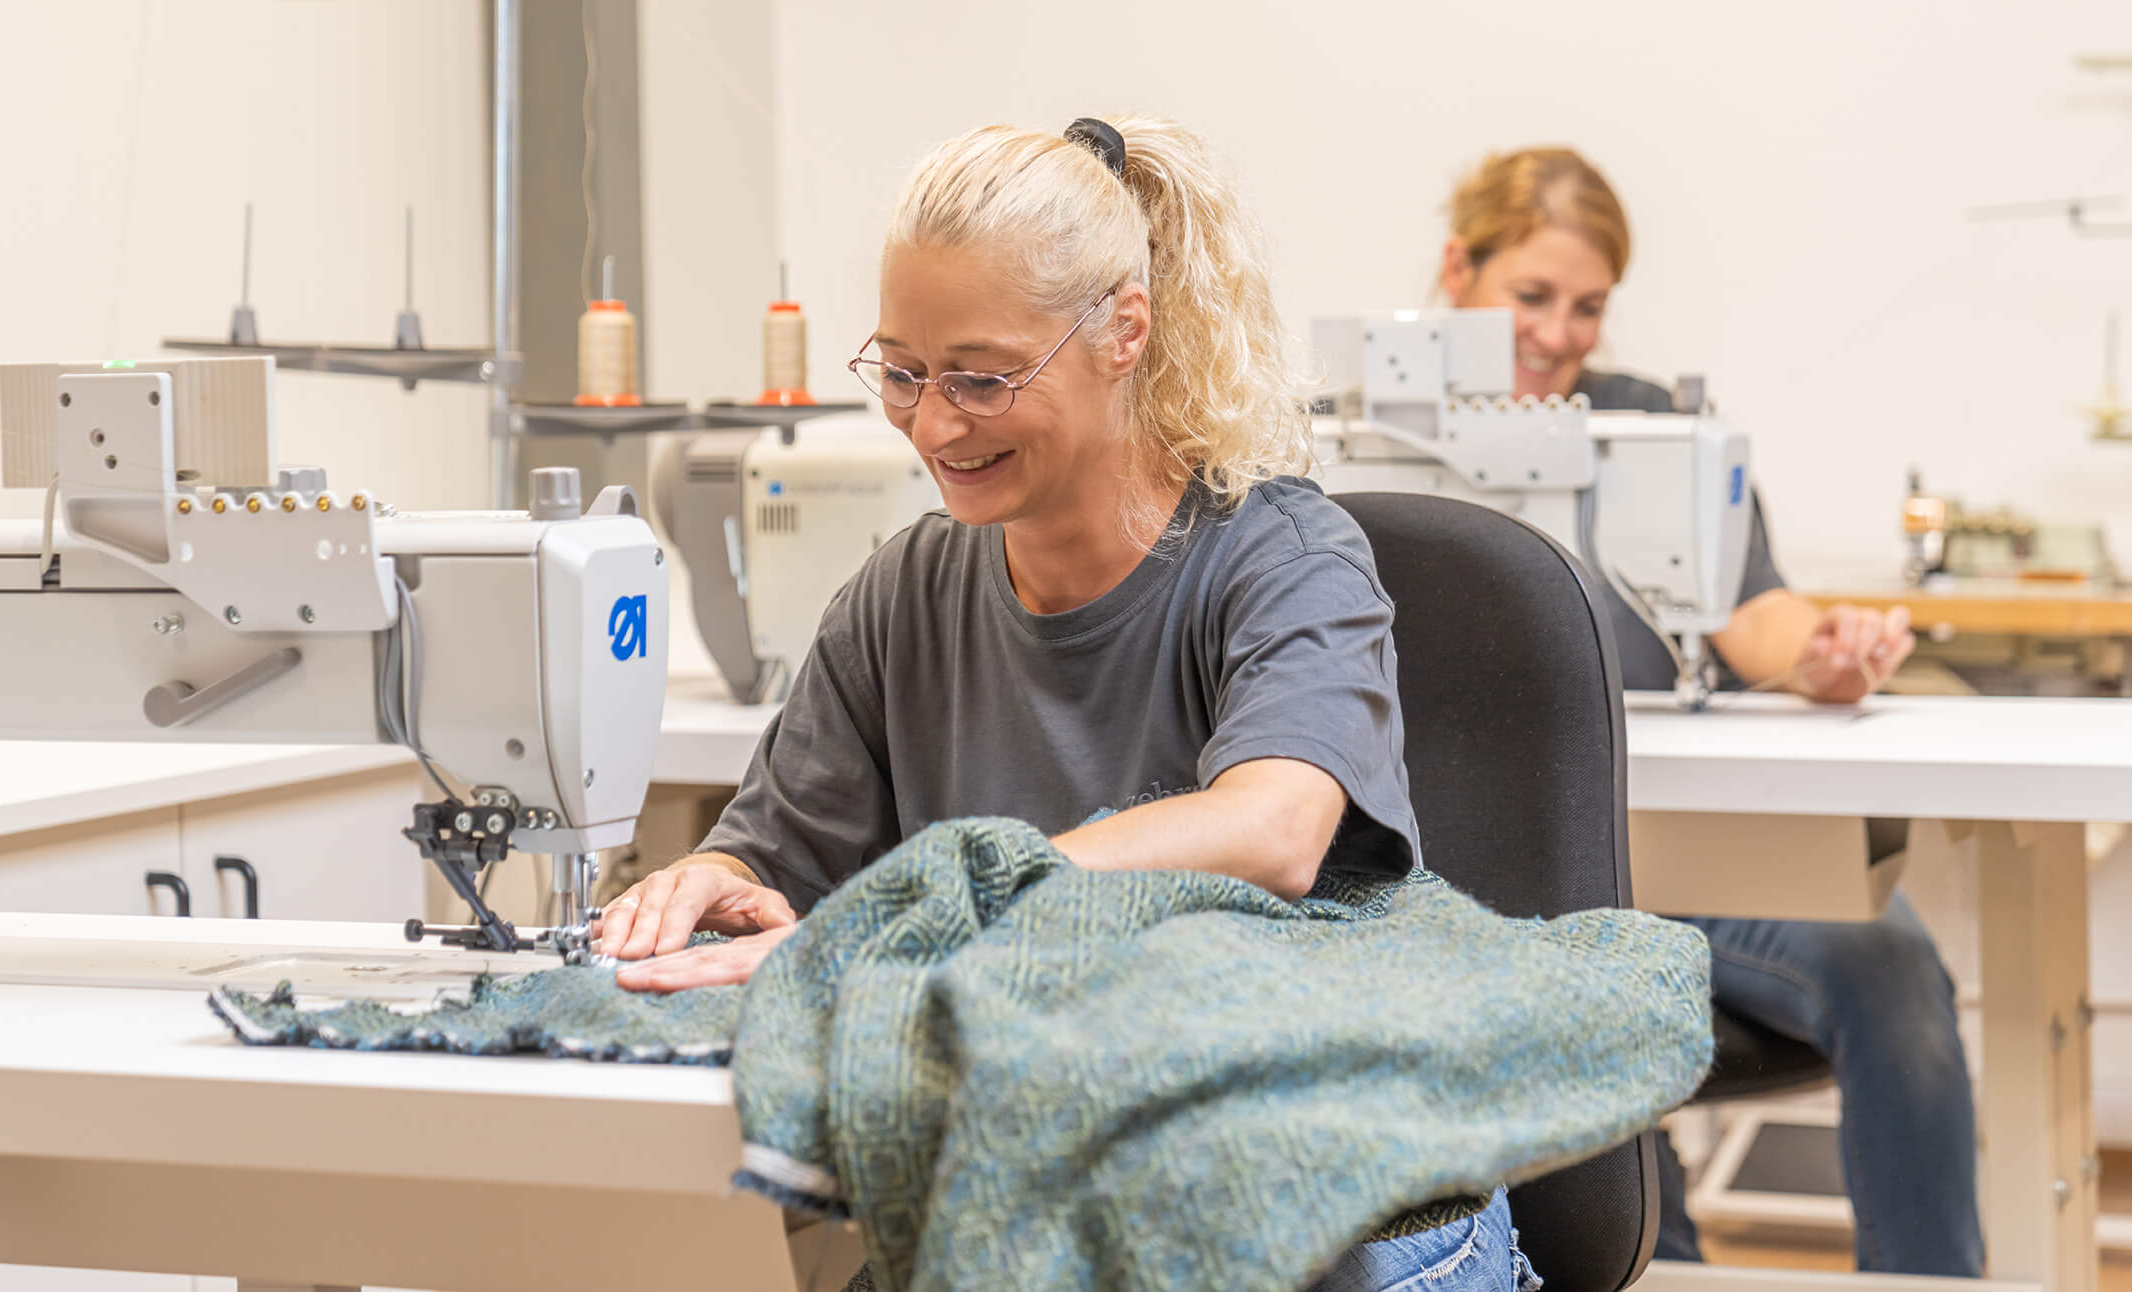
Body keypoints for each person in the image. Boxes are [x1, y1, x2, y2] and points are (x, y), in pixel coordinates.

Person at [596, 116, 1540, 1292]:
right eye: (901, 371)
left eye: (982, 379)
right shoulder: (901, 595)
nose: (934, 424)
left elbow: (1274, 826)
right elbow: (773, 862)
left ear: (1121, 331)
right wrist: (713, 888)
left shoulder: (1283, 557)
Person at [1437, 146, 1983, 1278]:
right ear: (1456, 270)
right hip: (1490, 892)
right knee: (1557, 1007)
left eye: (1587, 307)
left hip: (1695, 867)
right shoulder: (1367, 447)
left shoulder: (1648, 431)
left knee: (1888, 965)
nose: (1560, 332)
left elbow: (1753, 617)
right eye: (1530, 296)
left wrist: (1823, 658)